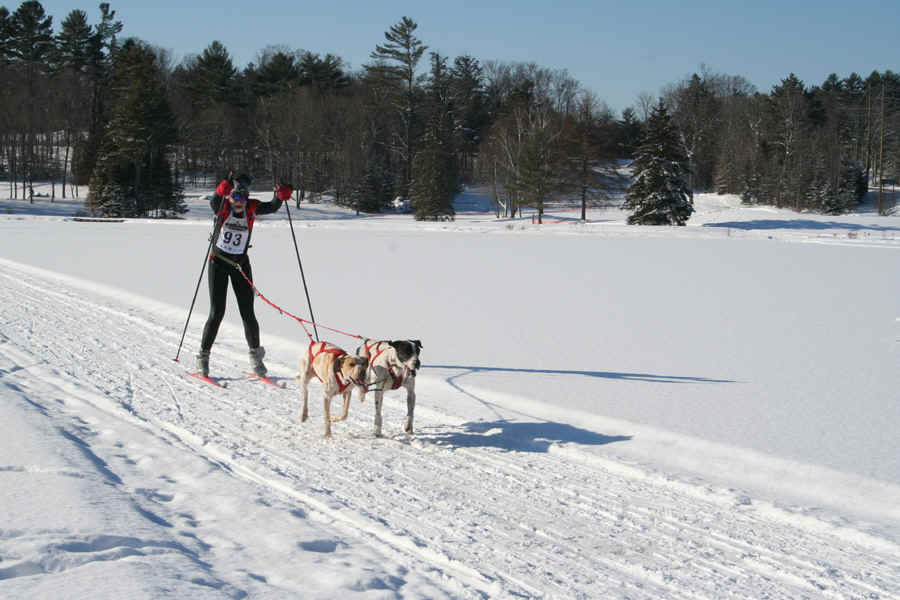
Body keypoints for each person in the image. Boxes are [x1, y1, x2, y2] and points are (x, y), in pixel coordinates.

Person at [196, 172, 293, 377]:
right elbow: (215, 200)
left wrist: (280, 195)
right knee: (217, 312)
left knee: (248, 313)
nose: (239, 201)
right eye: (236, 197)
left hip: (240, 265)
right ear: (230, 196)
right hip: (218, 263)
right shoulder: (222, 206)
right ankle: (203, 357)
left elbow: (272, 206)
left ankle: (255, 357)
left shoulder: (251, 207)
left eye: (243, 197)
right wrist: (222, 187)